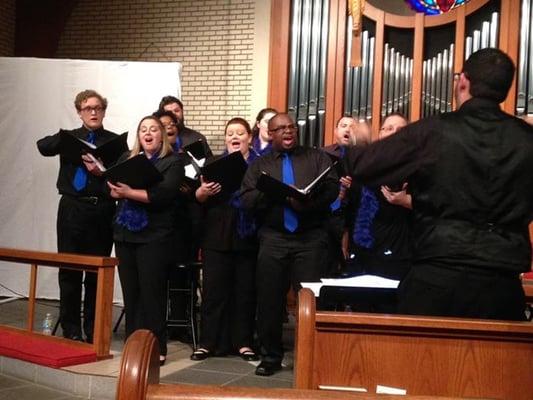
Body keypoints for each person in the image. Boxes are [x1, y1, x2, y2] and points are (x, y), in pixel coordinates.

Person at [345, 48, 533, 320]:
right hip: (502, 282)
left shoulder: (433, 131)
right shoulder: (526, 139)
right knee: (494, 362)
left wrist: (361, 142)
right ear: (505, 89)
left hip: (437, 276)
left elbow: (364, 168)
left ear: (463, 81)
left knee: (422, 361)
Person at [241, 113, 338, 376]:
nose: (288, 131)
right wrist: (277, 194)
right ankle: (271, 356)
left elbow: (331, 189)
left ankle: (312, 355)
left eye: (292, 127)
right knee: (270, 300)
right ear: (270, 134)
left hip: (311, 238)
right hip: (274, 238)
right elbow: (247, 199)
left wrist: (306, 203)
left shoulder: (317, 157)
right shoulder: (260, 164)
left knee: (311, 300)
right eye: (281, 128)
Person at [36, 90, 123, 343]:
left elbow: (122, 177)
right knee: (70, 270)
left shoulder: (114, 142)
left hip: (102, 210)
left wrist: (101, 171)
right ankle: (71, 328)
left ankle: (94, 329)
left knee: (96, 273)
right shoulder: (70, 138)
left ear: (104, 111)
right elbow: (43, 147)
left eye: (97, 108)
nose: (93, 112)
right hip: (72, 209)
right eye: (87, 108)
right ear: (79, 112)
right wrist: (66, 139)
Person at [108, 115, 184, 365]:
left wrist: (129, 192)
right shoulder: (126, 159)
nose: (148, 133)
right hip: (125, 234)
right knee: (132, 294)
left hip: (155, 236)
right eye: (143, 129)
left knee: (152, 294)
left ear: (162, 135)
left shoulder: (172, 162)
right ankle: (134, 345)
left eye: (153, 129)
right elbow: (110, 185)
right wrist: (109, 185)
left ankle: (156, 347)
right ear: (138, 136)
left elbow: (165, 195)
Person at [190, 118, 259, 362]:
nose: (234, 137)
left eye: (240, 132)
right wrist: (200, 194)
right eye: (230, 133)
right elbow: (196, 198)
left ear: (250, 137)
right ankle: (208, 342)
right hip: (216, 233)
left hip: (247, 235)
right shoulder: (212, 163)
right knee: (213, 291)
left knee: (244, 292)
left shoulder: (259, 164)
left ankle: (243, 342)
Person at [346, 112, 412, 281]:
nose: (395, 132)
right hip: (363, 246)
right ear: (381, 133)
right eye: (389, 128)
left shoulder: (416, 162)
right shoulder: (369, 161)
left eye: (400, 129)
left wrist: (407, 202)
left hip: (398, 246)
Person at [323, 116, 356, 275]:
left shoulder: (366, 155)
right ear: (336, 131)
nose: (348, 129)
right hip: (329, 216)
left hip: (355, 215)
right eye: (343, 125)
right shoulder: (323, 154)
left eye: (352, 126)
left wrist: (354, 186)